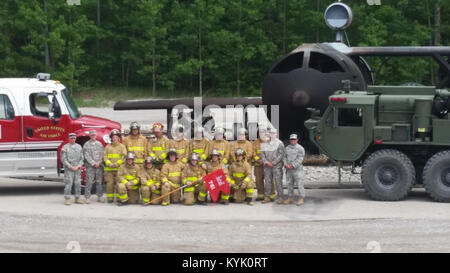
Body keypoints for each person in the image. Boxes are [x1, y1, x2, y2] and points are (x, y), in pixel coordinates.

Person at [261, 128, 285, 204]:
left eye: (273, 133)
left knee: (278, 182)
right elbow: (262, 154)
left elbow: (281, 154)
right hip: (267, 166)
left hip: (276, 166)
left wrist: (273, 163)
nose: (272, 135)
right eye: (271, 133)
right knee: (267, 182)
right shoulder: (265, 144)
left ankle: (280, 197)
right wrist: (266, 162)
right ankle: (267, 197)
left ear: (276, 134)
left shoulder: (280, 143)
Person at [103, 129, 127, 203]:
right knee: (109, 184)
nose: (114, 138)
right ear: (111, 138)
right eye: (113, 137)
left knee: (118, 184)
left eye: (116, 137)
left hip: (119, 169)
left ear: (118, 138)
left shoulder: (122, 147)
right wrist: (109, 163)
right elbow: (105, 157)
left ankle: (119, 198)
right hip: (109, 170)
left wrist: (117, 163)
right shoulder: (107, 147)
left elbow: (124, 157)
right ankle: (110, 198)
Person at [252, 126, 276, 201]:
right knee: (259, 180)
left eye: (263, 132)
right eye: (260, 132)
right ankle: (261, 195)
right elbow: (253, 153)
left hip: (267, 165)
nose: (261, 134)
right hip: (258, 165)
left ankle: (272, 195)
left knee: (269, 180)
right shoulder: (255, 143)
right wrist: (257, 159)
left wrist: (266, 161)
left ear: (266, 133)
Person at [61, 133, 84, 205]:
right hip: (69, 169)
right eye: (71, 138)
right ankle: (67, 199)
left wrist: (78, 166)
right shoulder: (65, 147)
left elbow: (82, 158)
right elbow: (63, 159)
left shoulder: (79, 147)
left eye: (74, 138)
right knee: (69, 184)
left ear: (76, 138)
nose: (73, 139)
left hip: (77, 168)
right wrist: (71, 167)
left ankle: (77, 198)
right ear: (69, 139)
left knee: (78, 183)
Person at [283, 134, 306, 206]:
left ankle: (301, 198)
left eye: (294, 139)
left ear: (297, 140)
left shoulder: (300, 148)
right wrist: (286, 164)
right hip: (289, 170)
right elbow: (284, 157)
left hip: (297, 170)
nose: (293, 141)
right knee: (289, 184)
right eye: (291, 139)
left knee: (299, 184)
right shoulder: (287, 148)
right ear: (290, 140)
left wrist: (292, 165)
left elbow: (300, 159)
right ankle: (290, 198)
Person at [83, 130, 105, 204]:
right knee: (89, 182)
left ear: (96, 135)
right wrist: (93, 163)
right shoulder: (86, 145)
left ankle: (100, 196)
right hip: (90, 167)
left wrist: (99, 162)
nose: (93, 136)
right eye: (92, 135)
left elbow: (103, 154)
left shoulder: (99, 144)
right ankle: (87, 197)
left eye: (94, 135)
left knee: (99, 182)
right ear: (90, 136)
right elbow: (86, 155)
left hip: (99, 166)